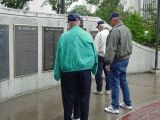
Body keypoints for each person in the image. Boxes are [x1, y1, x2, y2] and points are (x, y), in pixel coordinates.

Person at [54, 13, 98, 120]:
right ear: (79, 23)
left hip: (68, 72)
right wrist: (94, 69)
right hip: (85, 71)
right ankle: (81, 117)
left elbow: (58, 56)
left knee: (68, 97)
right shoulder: (87, 35)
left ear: (69, 22)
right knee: (84, 97)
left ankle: (68, 117)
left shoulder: (64, 37)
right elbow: (94, 53)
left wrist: (57, 73)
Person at [104, 13, 133, 114]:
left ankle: (115, 106)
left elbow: (111, 48)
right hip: (125, 59)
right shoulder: (127, 29)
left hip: (117, 61)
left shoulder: (115, 31)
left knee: (114, 83)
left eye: (110, 21)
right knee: (123, 81)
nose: (110, 23)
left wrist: (107, 62)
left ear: (115, 20)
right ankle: (128, 103)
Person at [93, 20, 111, 95]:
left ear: (100, 26)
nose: (98, 29)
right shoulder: (110, 33)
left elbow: (95, 47)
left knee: (98, 73)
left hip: (100, 56)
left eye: (98, 27)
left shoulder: (99, 34)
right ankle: (108, 90)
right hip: (109, 56)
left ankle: (99, 90)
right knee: (108, 73)